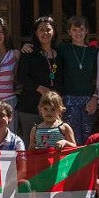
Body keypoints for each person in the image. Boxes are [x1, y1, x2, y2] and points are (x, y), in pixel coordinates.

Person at [15, 16, 62, 144]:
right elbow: (21, 77)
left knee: (52, 143)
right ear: (36, 33)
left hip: (53, 108)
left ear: (54, 32)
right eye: (41, 30)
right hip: (30, 106)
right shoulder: (29, 51)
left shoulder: (59, 53)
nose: (45, 33)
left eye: (48, 29)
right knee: (32, 144)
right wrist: (40, 88)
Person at [58, 15, 98, 145]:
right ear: (69, 32)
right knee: (71, 138)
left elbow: (98, 77)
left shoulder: (93, 52)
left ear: (86, 31)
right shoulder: (63, 49)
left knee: (88, 138)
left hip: (88, 100)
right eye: (74, 30)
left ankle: (88, 165)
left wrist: (95, 98)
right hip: (68, 99)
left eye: (81, 29)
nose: (78, 33)